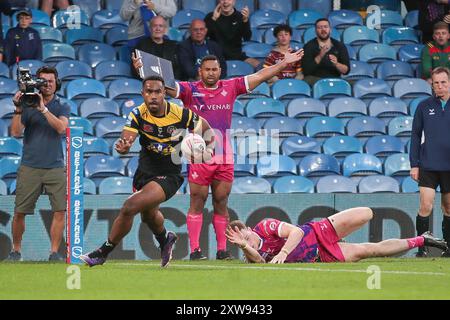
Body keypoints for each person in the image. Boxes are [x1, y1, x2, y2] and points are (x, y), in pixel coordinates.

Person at [133, 50, 304, 260]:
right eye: (207, 69)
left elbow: (260, 75)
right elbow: (160, 87)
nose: (211, 73)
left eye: (215, 69)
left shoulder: (231, 87)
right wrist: (142, 70)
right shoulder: (189, 90)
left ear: (220, 71)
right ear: (200, 71)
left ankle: (222, 250)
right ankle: (195, 251)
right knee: (197, 200)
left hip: (224, 154)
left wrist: (283, 64)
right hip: (199, 154)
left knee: (221, 201)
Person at [80, 75, 215, 268]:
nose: (153, 96)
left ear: (164, 94)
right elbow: (127, 139)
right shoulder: (138, 114)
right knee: (148, 216)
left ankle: (103, 252)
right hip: (144, 172)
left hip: (169, 175)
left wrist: (208, 152)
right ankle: (164, 239)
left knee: (129, 207)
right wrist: (124, 146)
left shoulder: (181, 114)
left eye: (157, 92)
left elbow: (209, 133)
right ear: (142, 93)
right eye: (149, 91)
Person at [226, 207, 448, 263]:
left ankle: (424, 237)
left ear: (248, 228)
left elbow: (294, 232)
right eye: (241, 243)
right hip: (319, 256)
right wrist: (245, 247)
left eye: (245, 237)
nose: (247, 242)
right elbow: (259, 261)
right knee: (369, 250)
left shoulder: (265, 226)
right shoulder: (252, 254)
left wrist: (284, 252)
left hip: (316, 232)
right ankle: (424, 239)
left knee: (366, 214)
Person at [7, 66, 70, 261]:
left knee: (59, 211)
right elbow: (15, 132)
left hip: (55, 166)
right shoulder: (27, 104)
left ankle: (53, 253)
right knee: (19, 212)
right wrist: (18, 109)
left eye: (51, 81)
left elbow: (61, 128)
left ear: (56, 83)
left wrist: (43, 109)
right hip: (30, 165)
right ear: (38, 83)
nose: (47, 85)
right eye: (43, 81)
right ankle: (16, 251)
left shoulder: (62, 105)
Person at [410, 66, 450, 258]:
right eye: (436, 83)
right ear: (431, 84)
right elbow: (415, 136)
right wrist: (414, 164)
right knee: (426, 206)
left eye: (443, 82)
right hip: (427, 165)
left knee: (448, 207)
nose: (440, 86)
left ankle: (448, 248)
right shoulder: (424, 106)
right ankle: (421, 248)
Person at [204, 0, 260, 68]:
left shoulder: (240, 16)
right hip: (216, 57)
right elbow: (204, 37)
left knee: (260, 66)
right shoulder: (210, 16)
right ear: (219, 2)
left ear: (234, 1)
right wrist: (214, 19)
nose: (225, 2)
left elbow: (247, 37)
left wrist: (245, 21)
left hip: (237, 55)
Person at [302, 18, 350, 86]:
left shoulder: (339, 45)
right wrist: (320, 56)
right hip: (315, 79)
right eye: (320, 27)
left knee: (354, 83)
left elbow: (346, 71)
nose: (323, 30)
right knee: (307, 80)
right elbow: (306, 71)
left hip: (335, 79)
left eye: (325, 27)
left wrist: (336, 64)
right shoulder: (308, 46)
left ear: (330, 29)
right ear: (315, 31)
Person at [133, 15, 182, 80]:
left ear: (165, 29)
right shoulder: (141, 45)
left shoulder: (173, 46)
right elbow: (137, 70)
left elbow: (178, 69)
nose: (157, 29)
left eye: (160, 26)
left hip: (170, 83)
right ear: (150, 28)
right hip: (149, 83)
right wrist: (137, 70)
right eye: (154, 26)